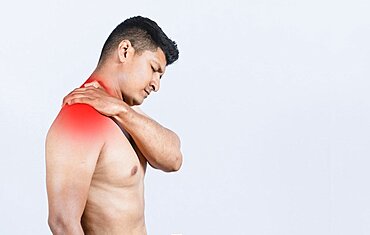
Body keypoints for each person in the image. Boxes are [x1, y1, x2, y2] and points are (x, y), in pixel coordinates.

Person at [45, 16, 183, 235]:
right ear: (125, 50)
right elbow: (62, 222)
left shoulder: (123, 112)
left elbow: (174, 158)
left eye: (160, 76)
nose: (156, 85)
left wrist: (121, 110)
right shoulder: (81, 116)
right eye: (153, 69)